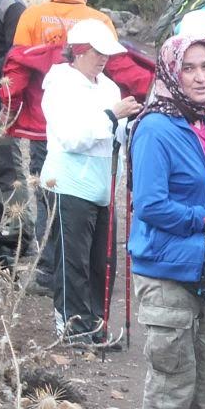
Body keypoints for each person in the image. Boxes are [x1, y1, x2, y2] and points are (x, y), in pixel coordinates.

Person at [127, 33, 205, 409]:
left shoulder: (204, 123)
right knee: (173, 366)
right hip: (164, 266)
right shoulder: (154, 128)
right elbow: (149, 204)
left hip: (204, 264)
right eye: (189, 68)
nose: (201, 77)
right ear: (170, 72)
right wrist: (203, 220)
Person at [12, 0, 117, 295]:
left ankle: (47, 270)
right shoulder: (99, 21)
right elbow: (111, 70)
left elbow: (17, 67)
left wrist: (9, 109)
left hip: (41, 123)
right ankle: (83, 268)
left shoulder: (31, 16)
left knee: (47, 191)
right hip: (88, 126)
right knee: (84, 197)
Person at [39, 19, 139, 344]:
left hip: (102, 185)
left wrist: (129, 124)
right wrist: (111, 117)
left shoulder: (108, 87)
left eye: (107, 53)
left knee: (101, 261)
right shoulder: (60, 85)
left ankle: (96, 323)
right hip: (67, 182)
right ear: (79, 51)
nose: (104, 59)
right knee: (73, 261)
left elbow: (115, 137)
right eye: (98, 52)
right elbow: (71, 137)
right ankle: (72, 326)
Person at [0, 0, 27, 256]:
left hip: (0, 99)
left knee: (6, 167)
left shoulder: (11, 6)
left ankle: (19, 234)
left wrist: (8, 102)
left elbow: (15, 60)